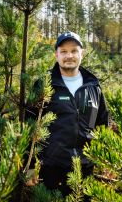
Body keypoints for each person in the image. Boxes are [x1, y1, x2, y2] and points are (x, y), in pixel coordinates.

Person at [28, 31, 109, 197]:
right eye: (63, 51)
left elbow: (103, 125)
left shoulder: (93, 87)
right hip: (50, 170)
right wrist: (28, 166)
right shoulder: (44, 84)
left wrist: (105, 160)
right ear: (56, 55)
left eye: (74, 51)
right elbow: (29, 126)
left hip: (85, 169)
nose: (69, 55)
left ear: (82, 54)